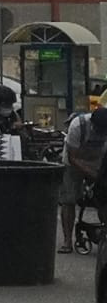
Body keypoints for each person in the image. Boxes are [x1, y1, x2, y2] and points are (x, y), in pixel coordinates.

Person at [59, 107, 107, 253]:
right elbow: (73, 158)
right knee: (69, 199)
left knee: (103, 198)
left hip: (97, 161)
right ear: (92, 124)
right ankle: (67, 241)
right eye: (99, 130)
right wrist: (93, 175)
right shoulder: (77, 126)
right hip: (74, 162)